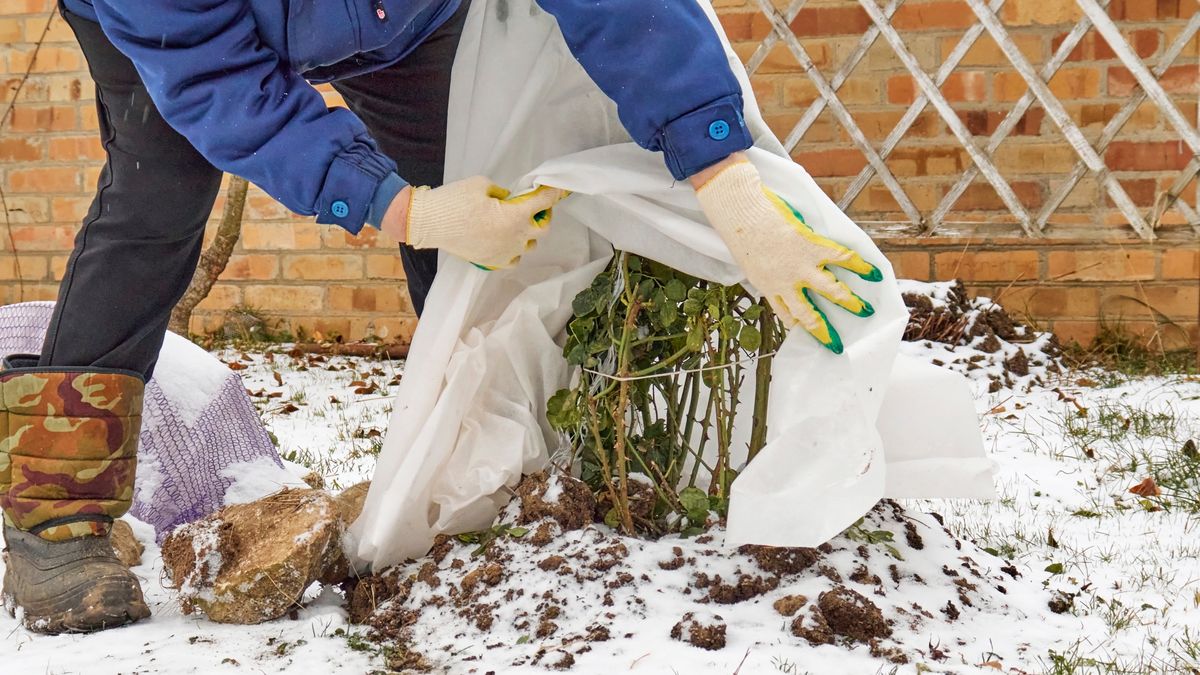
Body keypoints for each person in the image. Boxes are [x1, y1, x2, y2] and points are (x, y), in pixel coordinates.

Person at [0, 0, 881, 634]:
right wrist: (404, 210)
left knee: (468, 181)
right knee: (158, 195)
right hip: (182, 35)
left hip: (399, 21)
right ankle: (53, 513)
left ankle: (471, 461)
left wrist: (724, 178)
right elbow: (223, 89)